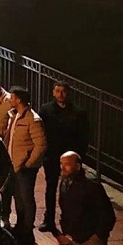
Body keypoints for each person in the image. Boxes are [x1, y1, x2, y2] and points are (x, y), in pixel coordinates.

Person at [38, 83, 88, 233]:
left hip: (71, 158)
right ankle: (49, 219)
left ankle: (70, 221)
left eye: (63, 91)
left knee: (72, 190)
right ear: (53, 92)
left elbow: (84, 136)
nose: (60, 94)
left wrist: (79, 157)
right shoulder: (46, 110)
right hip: (52, 157)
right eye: (58, 91)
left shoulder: (79, 113)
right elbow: (41, 133)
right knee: (51, 188)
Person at [3, 86, 46, 245]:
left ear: (18, 99)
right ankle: (20, 228)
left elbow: (40, 145)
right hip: (14, 167)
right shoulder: (14, 116)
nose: (9, 99)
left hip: (24, 169)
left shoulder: (32, 119)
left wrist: (28, 164)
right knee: (19, 199)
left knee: (27, 200)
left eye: (12, 97)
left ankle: (28, 232)